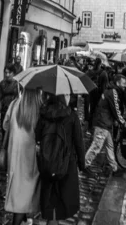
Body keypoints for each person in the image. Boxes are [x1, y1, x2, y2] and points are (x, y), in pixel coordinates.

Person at [36, 93, 85, 225]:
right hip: (66, 164)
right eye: (67, 94)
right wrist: (82, 164)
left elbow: (37, 137)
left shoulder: (43, 114)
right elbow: (79, 142)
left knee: (49, 200)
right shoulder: (72, 116)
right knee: (61, 201)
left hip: (47, 162)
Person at [4, 88, 42, 225]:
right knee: (26, 191)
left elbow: (5, 125)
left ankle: (23, 218)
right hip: (31, 158)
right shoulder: (40, 109)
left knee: (18, 189)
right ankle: (18, 221)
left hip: (14, 155)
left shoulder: (14, 104)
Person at [85, 74, 126, 176]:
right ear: (118, 83)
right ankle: (85, 165)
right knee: (96, 146)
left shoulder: (109, 90)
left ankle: (114, 167)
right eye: (123, 84)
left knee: (110, 146)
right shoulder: (113, 92)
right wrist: (123, 122)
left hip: (105, 122)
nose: (125, 86)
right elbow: (116, 109)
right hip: (103, 123)